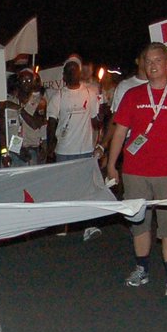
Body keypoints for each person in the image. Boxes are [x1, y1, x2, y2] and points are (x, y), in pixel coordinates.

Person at [104, 42, 167, 296]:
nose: (152, 65)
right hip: (135, 170)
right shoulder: (132, 95)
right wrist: (112, 164)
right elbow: (120, 131)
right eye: (148, 61)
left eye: (158, 60)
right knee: (139, 222)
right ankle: (142, 268)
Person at [46, 56, 106, 239]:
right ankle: (61, 225)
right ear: (64, 75)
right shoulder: (58, 97)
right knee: (63, 190)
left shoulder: (89, 93)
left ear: (80, 73)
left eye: (75, 70)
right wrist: (50, 147)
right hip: (64, 151)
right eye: (69, 71)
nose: (73, 73)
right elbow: (51, 124)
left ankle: (89, 226)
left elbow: (97, 121)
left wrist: (101, 104)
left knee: (87, 190)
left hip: (85, 150)